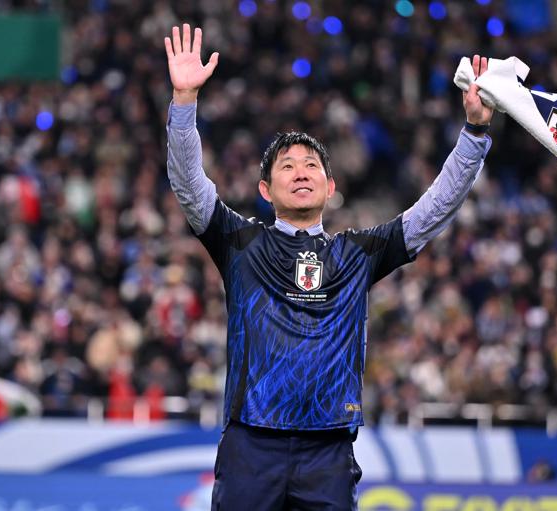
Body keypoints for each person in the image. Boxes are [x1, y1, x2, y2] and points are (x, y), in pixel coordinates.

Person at [164, 23, 493, 511]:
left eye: (311, 164)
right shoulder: (240, 243)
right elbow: (189, 184)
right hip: (252, 443)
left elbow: (433, 211)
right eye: (287, 165)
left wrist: (475, 132)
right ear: (265, 190)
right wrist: (184, 102)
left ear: (329, 184)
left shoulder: (356, 254)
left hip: (329, 449)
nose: (301, 171)